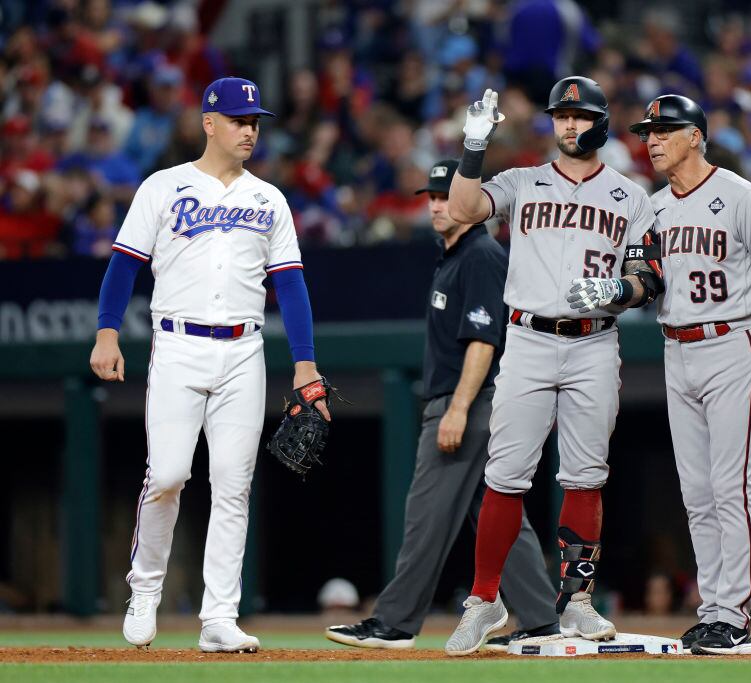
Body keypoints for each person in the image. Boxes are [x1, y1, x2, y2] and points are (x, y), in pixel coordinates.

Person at [89, 77, 330, 653]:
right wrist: (106, 334)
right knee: (168, 474)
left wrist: (305, 363)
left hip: (244, 350)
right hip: (176, 345)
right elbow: (123, 266)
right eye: (240, 119)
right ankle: (144, 588)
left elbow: (292, 287)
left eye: (256, 121)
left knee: (233, 486)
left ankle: (219, 616)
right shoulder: (163, 187)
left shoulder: (268, 197)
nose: (250, 129)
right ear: (209, 122)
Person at [442, 77, 664, 656]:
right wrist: (473, 146)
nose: (568, 126)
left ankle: (579, 602)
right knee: (505, 474)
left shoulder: (631, 195)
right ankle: (484, 599)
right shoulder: (522, 180)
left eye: (580, 116)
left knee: (586, 474)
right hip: (529, 338)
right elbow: (465, 207)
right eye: (561, 117)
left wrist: (620, 289)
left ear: (601, 122)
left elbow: (649, 279)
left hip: (594, 340)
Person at [324, 160, 559, 651]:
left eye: (445, 195)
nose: (435, 204)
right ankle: (539, 620)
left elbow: (482, 341)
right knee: (498, 517)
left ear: (471, 205)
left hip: (468, 402)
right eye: (430, 196)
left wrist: (457, 408)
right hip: (471, 402)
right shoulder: (455, 254)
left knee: (426, 514)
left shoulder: (480, 255)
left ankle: (395, 622)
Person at [628, 95, 751, 655]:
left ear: (695, 137)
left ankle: (735, 618)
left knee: (731, 486)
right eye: (648, 132)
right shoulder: (653, 207)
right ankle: (712, 611)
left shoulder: (740, 195)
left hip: (733, 342)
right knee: (696, 493)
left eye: (663, 130)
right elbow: (645, 280)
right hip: (675, 347)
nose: (652, 140)